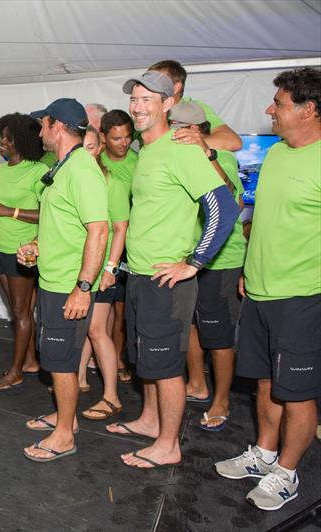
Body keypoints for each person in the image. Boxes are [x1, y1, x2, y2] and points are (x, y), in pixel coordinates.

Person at [106, 71, 238, 469]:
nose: (138, 106)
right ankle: (150, 421)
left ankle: (169, 444)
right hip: (141, 274)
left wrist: (194, 263)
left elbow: (224, 208)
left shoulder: (181, 148)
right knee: (146, 358)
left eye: (148, 99)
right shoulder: (147, 151)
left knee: (165, 367)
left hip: (167, 279)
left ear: (168, 105)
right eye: (135, 99)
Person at [215, 67, 320, 511]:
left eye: (278, 103)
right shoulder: (277, 154)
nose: (268, 110)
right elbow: (262, 218)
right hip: (257, 290)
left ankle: (287, 473)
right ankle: (264, 452)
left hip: (301, 298)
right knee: (264, 383)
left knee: (297, 392)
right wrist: (249, 268)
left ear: (309, 109)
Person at [18, 98, 108, 462]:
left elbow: (99, 231)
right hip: (52, 280)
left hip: (68, 285)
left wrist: (83, 287)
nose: (39, 131)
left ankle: (65, 435)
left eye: (42, 124)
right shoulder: (64, 167)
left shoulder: (82, 169)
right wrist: (37, 246)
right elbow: (67, 225)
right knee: (57, 358)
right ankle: (63, 417)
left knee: (63, 362)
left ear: (57, 126)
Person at [167, 101, 246, 432]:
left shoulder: (220, 157)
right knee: (193, 326)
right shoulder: (177, 157)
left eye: (179, 128)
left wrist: (208, 156)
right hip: (187, 259)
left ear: (197, 130)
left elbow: (233, 202)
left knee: (219, 336)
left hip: (220, 260)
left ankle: (222, 400)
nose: (173, 133)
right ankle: (197, 384)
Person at [0, 113, 47, 390]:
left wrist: (8, 211)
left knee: (21, 313)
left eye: (7, 137)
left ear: (21, 140)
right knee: (17, 310)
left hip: (25, 252)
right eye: (1, 136)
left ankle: (16, 371)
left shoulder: (38, 172)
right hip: (2, 248)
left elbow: (46, 213)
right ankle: (31, 360)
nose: (2, 142)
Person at [75, 125, 129, 421]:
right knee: (84, 326)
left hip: (103, 268)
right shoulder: (76, 178)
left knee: (97, 330)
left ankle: (111, 396)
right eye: (81, 146)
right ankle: (81, 378)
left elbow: (120, 228)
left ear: (100, 148)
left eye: (92, 146)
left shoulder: (112, 183)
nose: (86, 152)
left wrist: (111, 267)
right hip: (82, 265)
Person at [98, 110, 138, 385]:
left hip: (129, 245)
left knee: (121, 310)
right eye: (116, 138)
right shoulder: (94, 162)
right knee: (98, 311)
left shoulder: (140, 162)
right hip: (99, 243)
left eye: (127, 137)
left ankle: (119, 357)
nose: (123, 143)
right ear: (103, 137)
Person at [148, 60, 242, 152]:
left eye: (156, 82)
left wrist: (182, 146)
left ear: (176, 88)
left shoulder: (195, 108)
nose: (147, 87)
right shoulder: (142, 109)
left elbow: (233, 141)